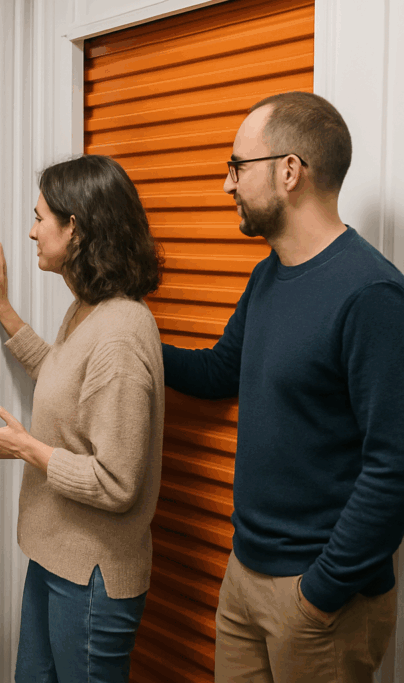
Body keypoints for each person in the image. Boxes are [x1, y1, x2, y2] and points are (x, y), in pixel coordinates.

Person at [161, 91, 404, 683]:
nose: (227, 185)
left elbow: (393, 465)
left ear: (289, 171)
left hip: (320, 598)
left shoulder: (371, 294)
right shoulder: (268, 274)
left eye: (237, 167)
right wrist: (127, 336)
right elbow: (221, 371)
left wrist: (320, 592)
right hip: (245, 575)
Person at [0, 155, 165, 682]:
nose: (31, 231)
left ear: (76, 226)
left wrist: (28, 448)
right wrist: (2, 309)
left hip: (92, 578)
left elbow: (117, 483)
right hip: (57, 560)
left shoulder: (122, 333)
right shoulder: (88, 309)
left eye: (40, 217)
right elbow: (64, 375)